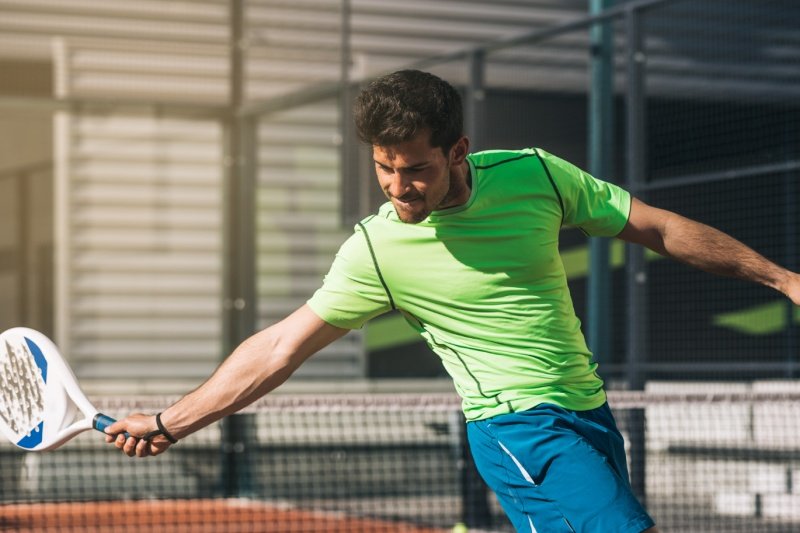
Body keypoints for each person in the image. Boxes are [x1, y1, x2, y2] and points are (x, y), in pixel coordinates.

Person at [106, 70, 800, 532]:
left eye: (416, 168)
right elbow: (281, 345)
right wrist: (173, 420)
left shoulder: (535, 176)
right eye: (384, 167)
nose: (398, 186)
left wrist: (782, 280)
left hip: (589, 412)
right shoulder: (374, 251)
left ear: (458, 149)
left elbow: (655, 225)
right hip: (516, 429)